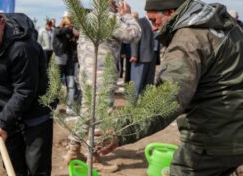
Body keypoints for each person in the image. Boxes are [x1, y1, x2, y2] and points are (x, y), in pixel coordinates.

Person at [97, 0, 243, 175]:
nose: (153, 28)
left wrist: (121, 132)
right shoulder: (229, 29)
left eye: (153, 20)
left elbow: (166, 99)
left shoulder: (188, 40)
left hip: (214, 140)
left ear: (171, 12)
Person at [0, 5, 53, 175]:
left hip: (36, 110)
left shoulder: (22, 47)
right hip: (6, 110)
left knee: (37, 168)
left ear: (1, 23)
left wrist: (3, 123)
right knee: (13, 167)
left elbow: (24, 91)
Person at [63, 0, 141, 168]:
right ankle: (94, 158)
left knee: (87, 112)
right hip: (101, 76)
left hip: (87, 75)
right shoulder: (107, 18)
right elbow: (133, 35)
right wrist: (127, 15)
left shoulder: (90, 16)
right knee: (100, 116)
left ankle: (74, 149)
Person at [130, 14, 157, 98]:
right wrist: (134, 54)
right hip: (140, 58)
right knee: (136, 85)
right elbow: (135, 38)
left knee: (148, 84)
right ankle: (132, 107)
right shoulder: (139, 21)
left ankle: (144, 106)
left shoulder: (155, 23)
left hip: (152, 57)